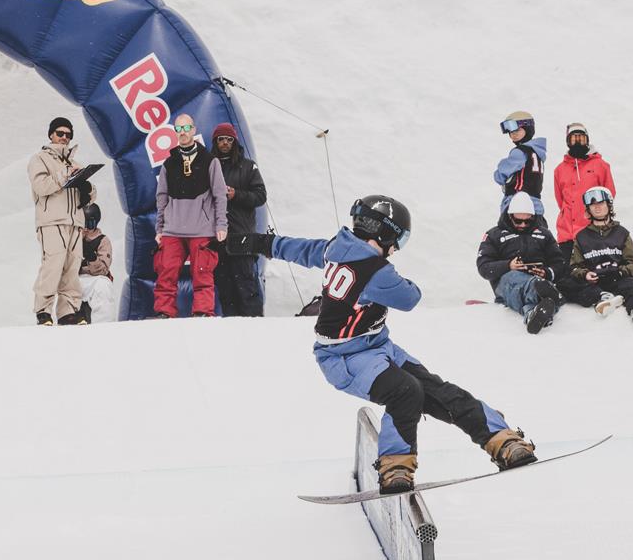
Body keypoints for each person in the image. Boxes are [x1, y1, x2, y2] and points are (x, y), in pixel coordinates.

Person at [227, 195, 537, 493]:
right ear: (385, 233)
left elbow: (300, 249)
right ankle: (395, 467)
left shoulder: (337, 248)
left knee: (438, 390)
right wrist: (392, 277)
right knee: (406, 392)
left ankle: (502, 440)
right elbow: (410, 297)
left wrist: (256, 243)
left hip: (377, 348)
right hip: (344, 359)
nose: (396, 249)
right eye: (398, 240)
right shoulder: (376, 271)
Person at [154, 113, 227, 317]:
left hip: (201, 230)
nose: (183, 133)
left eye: (186, 128)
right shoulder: (169, 163)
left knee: (202, 273)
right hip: (172, 230)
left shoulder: (210, 161)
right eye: (178, 129)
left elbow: (220, 195)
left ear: (194, 130)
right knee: (166, 272)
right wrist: (159, 228)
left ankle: (202, 312)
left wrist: (221, 225)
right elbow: (161, 197)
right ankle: (164, 312)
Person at [28, 116, 96, 325]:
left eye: (68, 134)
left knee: (72, 269)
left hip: (75, 222)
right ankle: (43, 310)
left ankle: (68, 311)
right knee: (52, 266)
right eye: (60, 133)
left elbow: (92, 195)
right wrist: (64, 175)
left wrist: (87, 189)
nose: (64, 137)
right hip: (52, 221)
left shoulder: (75, 163)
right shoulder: (40, 159)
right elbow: (41, 186)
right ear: (51, 135)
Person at [475, 191, 567, 334]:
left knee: (544, 292)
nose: (523, 225)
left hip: (538, 277)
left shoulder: (544, 234)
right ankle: (546, 292)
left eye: (527, 221)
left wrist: (546, 272)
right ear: (510, 216)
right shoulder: (494, 235)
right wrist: (508, 265)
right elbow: (484, 267)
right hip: (507, 282)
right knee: (515, 278)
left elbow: (559, 262)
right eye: (518, 221)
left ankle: (532, 313)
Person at [563, 186, 633, 328]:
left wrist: (622, 272)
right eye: (593, 204)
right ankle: (604, 298)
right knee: (566, 285)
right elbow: (575, 266)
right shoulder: (581, 237)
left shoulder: (622, 233)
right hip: (595, 283)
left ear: (609, 205)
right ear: (588, 209)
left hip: (617, 278)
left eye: (601, 203)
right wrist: (585, 274)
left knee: (631, 286)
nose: (597, 207)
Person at [210, 122, 267, 317]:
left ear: (235, 142)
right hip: (218, 239)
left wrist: (236, 195)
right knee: (226, 292)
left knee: (247, 289)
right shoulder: (209, 166)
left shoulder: (248, 166)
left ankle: (256, 327)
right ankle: (232, 332)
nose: (225, 143)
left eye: (229, 139)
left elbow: (261, 196)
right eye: (221, 139)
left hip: (242, 237)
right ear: (215, 142)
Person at [553, 122, 616, 250]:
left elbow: (610, 194)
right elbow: (560, 200)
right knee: (566, 263)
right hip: (567, 234)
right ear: (568, 142)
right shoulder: (560, 169)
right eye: (573, 139)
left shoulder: (600, 165)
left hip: (594, 231)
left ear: (587, 140)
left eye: (581, 139)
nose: (577, 143)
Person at [494, 111, 547, 217]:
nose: (513, 134)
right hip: (536, 205)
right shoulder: (538, 154)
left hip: (517, 205)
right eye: (510, 132)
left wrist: (501, 169)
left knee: (507, 228)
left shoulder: (519, 152)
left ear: (528, 129)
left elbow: (500, 175)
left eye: (517, 130)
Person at [78, 203, 114, 324]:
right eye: (83, 223)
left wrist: (92, 258)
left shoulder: (102, 240)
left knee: (103, 286)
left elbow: (103, 269)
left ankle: (103, 323)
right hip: (75, 278)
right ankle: (67, 320)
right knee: (63, 287)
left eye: (90, 224)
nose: (86, 228)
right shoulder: (73, 239)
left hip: (94, 278)